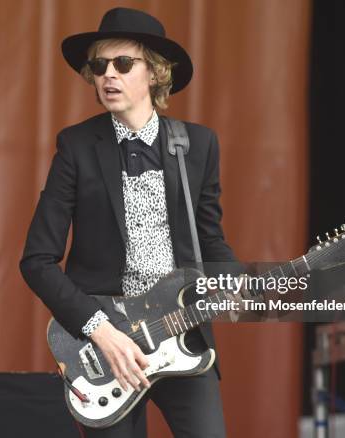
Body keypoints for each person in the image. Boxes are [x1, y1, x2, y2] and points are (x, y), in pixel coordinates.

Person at [20, 7, 236, 437]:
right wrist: (100, 330)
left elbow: (210, 242)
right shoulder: (77, 146)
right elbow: (36, 260)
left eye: (123, 64)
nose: (108, 76)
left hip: (181, 333)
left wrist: (235, 284)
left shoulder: (196, 145)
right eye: (99, 66)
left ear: (155, 73)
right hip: (108, 346)